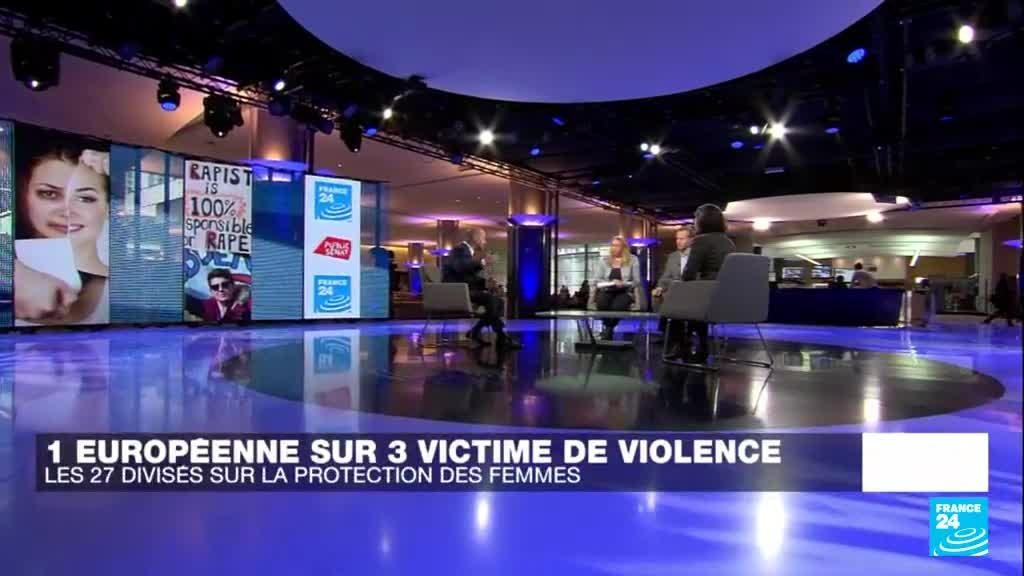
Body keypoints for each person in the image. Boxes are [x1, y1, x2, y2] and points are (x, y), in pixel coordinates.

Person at [14, 143, 110, 325]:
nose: (67, 211)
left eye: (85, 198)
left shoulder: (132, 288)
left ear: (107, 207)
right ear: (24, 198)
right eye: (49, 194)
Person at [669, 204, 735, 362]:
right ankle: (699, 344)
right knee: (692, 301)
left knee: (676, 302)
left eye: (695, 218)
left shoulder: (701, 240)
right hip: (726, 298)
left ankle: (681, 344)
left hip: (708, 296)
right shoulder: (728, 242)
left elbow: (688, 274)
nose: (694, 222)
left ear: (702, 220)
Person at [442, 228, 520, 349]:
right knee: (492, 300)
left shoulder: (466, 252)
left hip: (463, 290)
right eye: (483, 238)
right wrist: (483, 262)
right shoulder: (459, 249)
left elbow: (466, 276)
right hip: (455, 292)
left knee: (498, 301)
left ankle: (478, 332)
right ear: (476, 238)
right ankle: (500, 336)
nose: (485, 241)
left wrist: (486, 283)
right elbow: (460, 268)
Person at [590, 236, 641, 340]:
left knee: (617, 306)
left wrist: (624, 283)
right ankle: (609, 328)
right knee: (602, 302)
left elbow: (636, 281)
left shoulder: (633, 260)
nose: (614, 248)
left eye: (617, 245)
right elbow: (597, 280)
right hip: (607, 290)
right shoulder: (604, 260)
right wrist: (610, 282)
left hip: (624, 291)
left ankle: (608, 329)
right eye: (612, 245)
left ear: (623, 247)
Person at [652, 225, 693, 334]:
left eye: (682, 239)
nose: (678, 241)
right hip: (673, 291)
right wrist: (660, 287)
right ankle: (666, 332)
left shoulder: (696, 257)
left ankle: (675, 335)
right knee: (659, 295)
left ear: (691, 240)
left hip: (691, 291)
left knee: (673, 299)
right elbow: (665, 277)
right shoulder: (672, 257)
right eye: (677, 239)